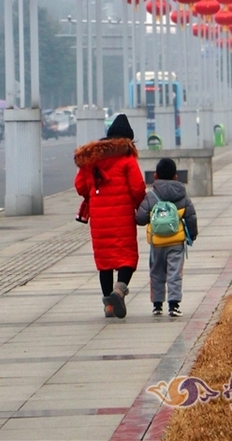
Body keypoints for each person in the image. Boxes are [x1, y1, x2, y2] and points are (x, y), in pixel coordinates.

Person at [74, 113, 146, 319]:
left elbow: (80, 186)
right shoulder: (126, 157)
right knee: (127, 256)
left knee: (104, 261)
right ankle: (119, 291)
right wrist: (141, 205)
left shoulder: (92, 158)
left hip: (98, 217)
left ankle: (109, 306)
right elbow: (138, 187)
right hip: (122, 215)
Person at [136, 157, 198, 318]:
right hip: (176, 242)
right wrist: (192, 235)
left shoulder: (151, 196)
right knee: (175, 273)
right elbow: (191, 217)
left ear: (155, 176)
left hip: (157, 243)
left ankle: (157, 305)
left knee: (156, 272)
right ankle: (174, 305)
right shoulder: (182, 196)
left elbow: (141, 219)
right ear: (176, 177)